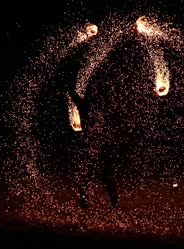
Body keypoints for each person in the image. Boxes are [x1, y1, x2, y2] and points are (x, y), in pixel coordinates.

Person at [59, 23, 119, 209]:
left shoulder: (102, 104)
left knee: (105, 174)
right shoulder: (85, 105)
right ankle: (84, 200)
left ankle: (114, 203)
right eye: (93, 91)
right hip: (90, 143)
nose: (95, 93)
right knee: (87, 173)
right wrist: (75, 65)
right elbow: (70, 89)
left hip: (101, 143)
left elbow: (109, 92)